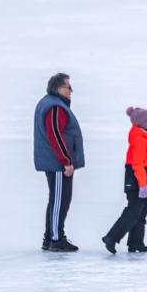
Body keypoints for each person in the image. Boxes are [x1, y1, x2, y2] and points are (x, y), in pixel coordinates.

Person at [33, 73, 85, 252]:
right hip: (58, 163)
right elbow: (55, 135)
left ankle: (51, 237)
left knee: (59, 199)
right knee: (59, 201)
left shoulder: (53, 104)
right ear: (58, 88)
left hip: (56, 161)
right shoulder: (55, 107)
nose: (71, 91)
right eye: (68, 87)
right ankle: (55, 239)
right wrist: (66, 161)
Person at [102, 107, 147, 254]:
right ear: (146, 124)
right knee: (133, 211)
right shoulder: (140, 140)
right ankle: (111, 237)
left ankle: (136, 242)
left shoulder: (145, 138)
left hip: (142, 180)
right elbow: (137, 164)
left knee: (142, 211)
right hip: (137, 181)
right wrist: (142, 184)